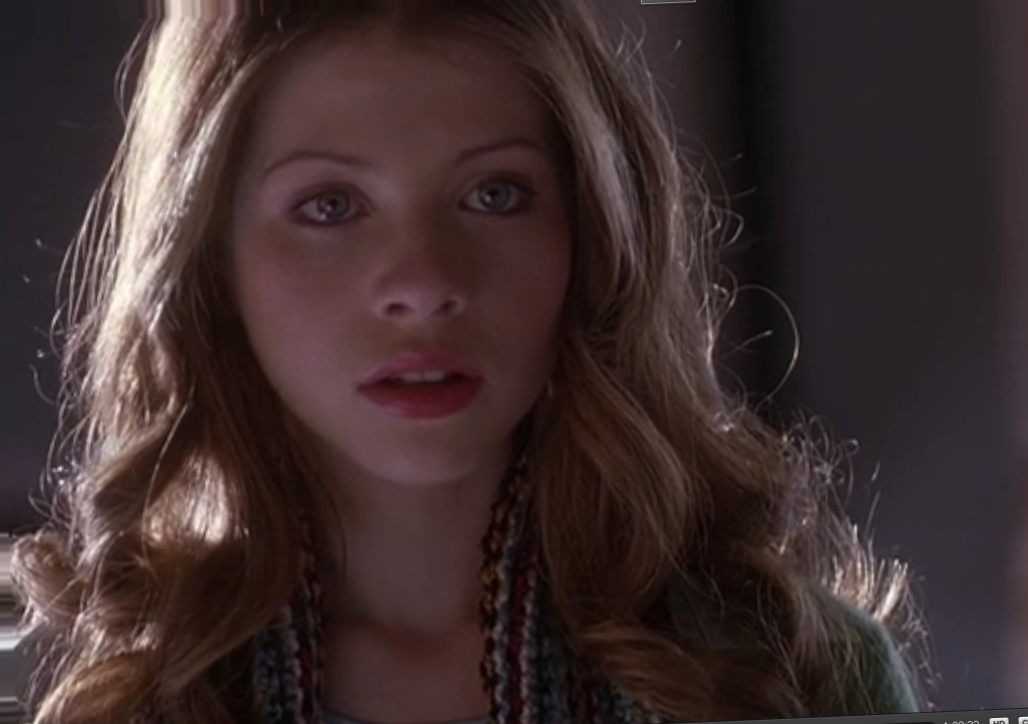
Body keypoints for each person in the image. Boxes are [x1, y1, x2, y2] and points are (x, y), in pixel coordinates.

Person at [11, 1, 933, 722]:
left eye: (495, 195)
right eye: (330, 206)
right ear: (213, 267)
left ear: (592, 238)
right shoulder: (103, 692)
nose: (423, 284)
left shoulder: (791, 673)